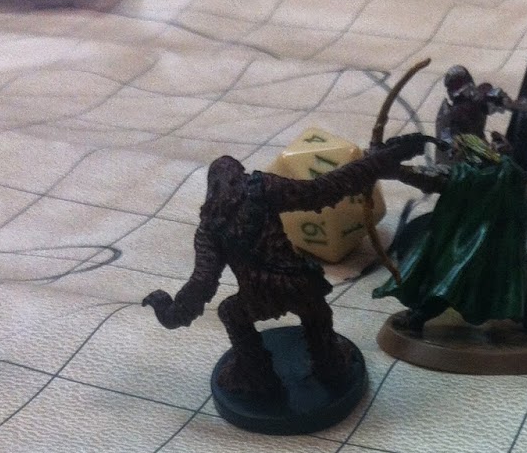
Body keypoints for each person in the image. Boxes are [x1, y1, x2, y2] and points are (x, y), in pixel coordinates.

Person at [143, 132, 426, 395]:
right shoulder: (260, 187)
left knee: (231, 312)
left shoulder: (208, 228)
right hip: (298, 283)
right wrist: (379, 161)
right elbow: (321, 191)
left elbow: (201, 284)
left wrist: (169, 312)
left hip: (258, 297)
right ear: (239, 176)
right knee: (314, 310)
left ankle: (256, 375)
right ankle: (331, 364)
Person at [374, 132, 527, 337]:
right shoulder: (507, 170)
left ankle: (417, 319)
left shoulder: (468, 175)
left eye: (456, 151)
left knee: (452, 278)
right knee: (516, 275)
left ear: (468, 150)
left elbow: (428, 177)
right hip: (498, 241)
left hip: (481, 242)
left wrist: (391, 169)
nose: (452, 155)